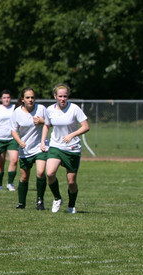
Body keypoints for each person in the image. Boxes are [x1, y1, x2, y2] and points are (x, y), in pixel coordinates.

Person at [40, 83, 90, 214]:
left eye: (65, 96)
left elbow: (85, 126)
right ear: (55, 96)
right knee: (50, 173)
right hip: (56, 146)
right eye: (60, 96)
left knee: (71, 181)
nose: (63, 99)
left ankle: (71, 205)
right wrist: (42, 141)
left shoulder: (74, 109)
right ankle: (57, 198)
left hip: (72, 148)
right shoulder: (50, 110)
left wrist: (72, 135)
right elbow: (46, 125)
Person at [10, 87, 48, 210]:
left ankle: (40, 201)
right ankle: (21, 203)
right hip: (25, 148)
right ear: (22, 99)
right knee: (24, 177)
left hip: (40, 147)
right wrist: (20, 142)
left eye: (32, 97)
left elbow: (51, 123)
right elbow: (13, 130)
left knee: (41, 172)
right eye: (27, 97)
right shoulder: (17, 112)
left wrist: (42, 121)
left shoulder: (41, 109)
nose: (30, 99)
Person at [0, 89, 18, 191]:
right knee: (0, 163)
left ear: (11, 98)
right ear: (1, 99)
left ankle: (10, 184)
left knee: (14, 160)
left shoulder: (15, 108)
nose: (6, 99)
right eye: (4, 98)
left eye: (8, 97)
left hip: (12, 139)